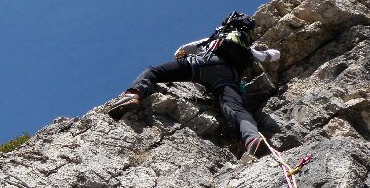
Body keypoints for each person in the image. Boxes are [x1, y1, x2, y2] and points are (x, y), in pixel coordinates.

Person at [107, 12, 280, 156]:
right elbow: (274, 55)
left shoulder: (214, 39)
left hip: (206, 64)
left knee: (154, 71)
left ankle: (133, 95)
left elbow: (180, 51)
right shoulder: (247, 49)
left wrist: (185, 59)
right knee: (236, 110)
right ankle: (252, 138)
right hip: (230, 77)